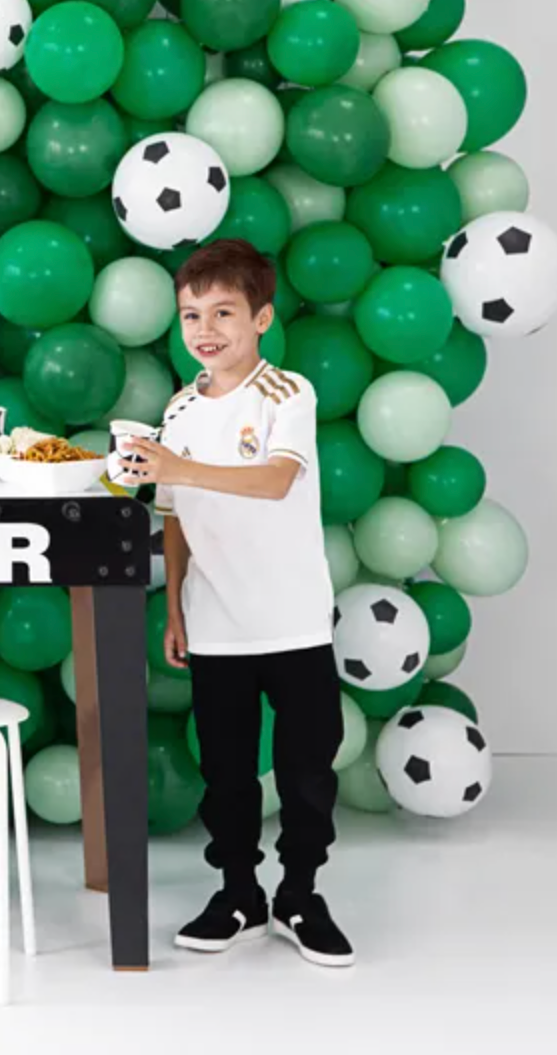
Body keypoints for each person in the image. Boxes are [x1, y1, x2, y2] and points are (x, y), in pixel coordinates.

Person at [119, 239, 352, 968]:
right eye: (192, 314)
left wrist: (177, 465)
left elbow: (275, 480)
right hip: (216, 622)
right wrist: (178, 608)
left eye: (224, 312)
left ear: (261, 319)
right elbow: (175, 514)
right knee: (226, 773)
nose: (206, 329)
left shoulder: (286, 393)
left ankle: (301, 895)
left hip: (291, 619)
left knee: (306, 770)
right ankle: (240, 894)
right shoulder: (180, 409)